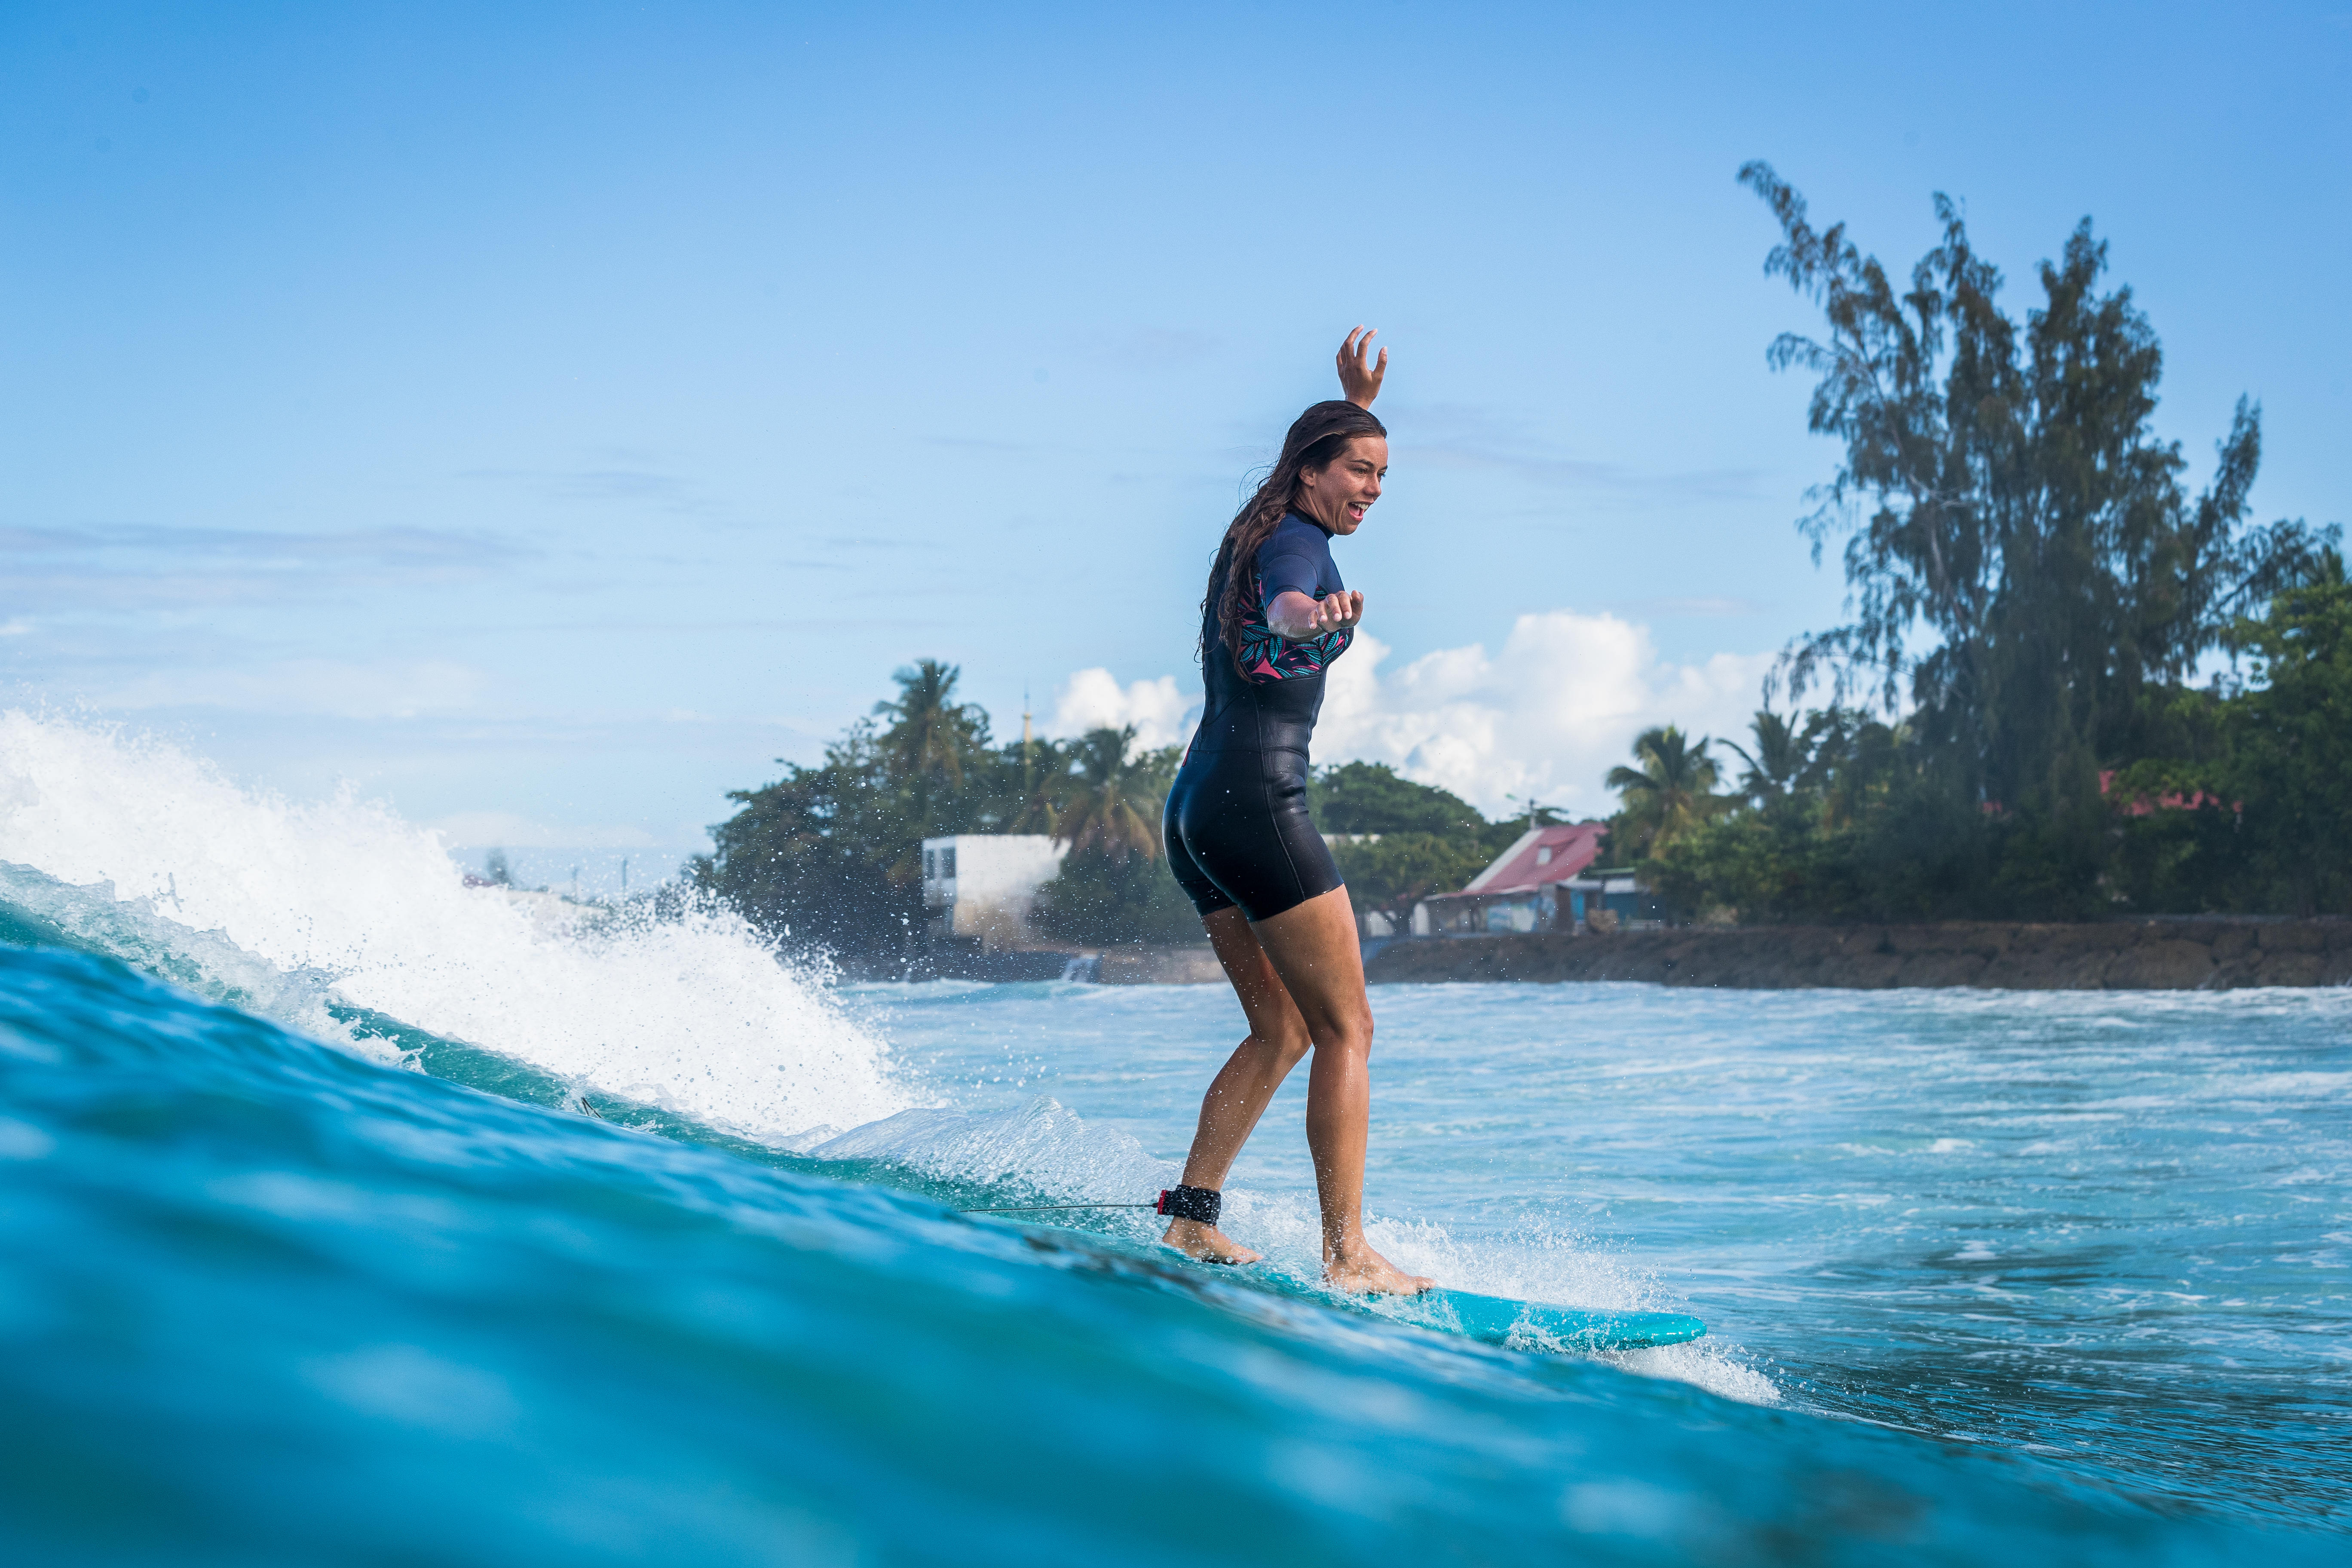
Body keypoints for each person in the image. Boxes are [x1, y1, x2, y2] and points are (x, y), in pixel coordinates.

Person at [1158, 328, 1433, 1296]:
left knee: (1282, 1030)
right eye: (1360, 468)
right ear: (1310, 471)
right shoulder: (1295, 548)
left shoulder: (1264, 526)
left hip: (1195, 809)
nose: (1374, 487)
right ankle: (1348, 1253)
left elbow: (1277, 592)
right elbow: (1284, 612)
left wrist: (1352, 400)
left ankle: (1192, 1220)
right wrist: (1312, 621)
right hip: (1257, 806)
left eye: (1384, 474)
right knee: (1348, 1028)